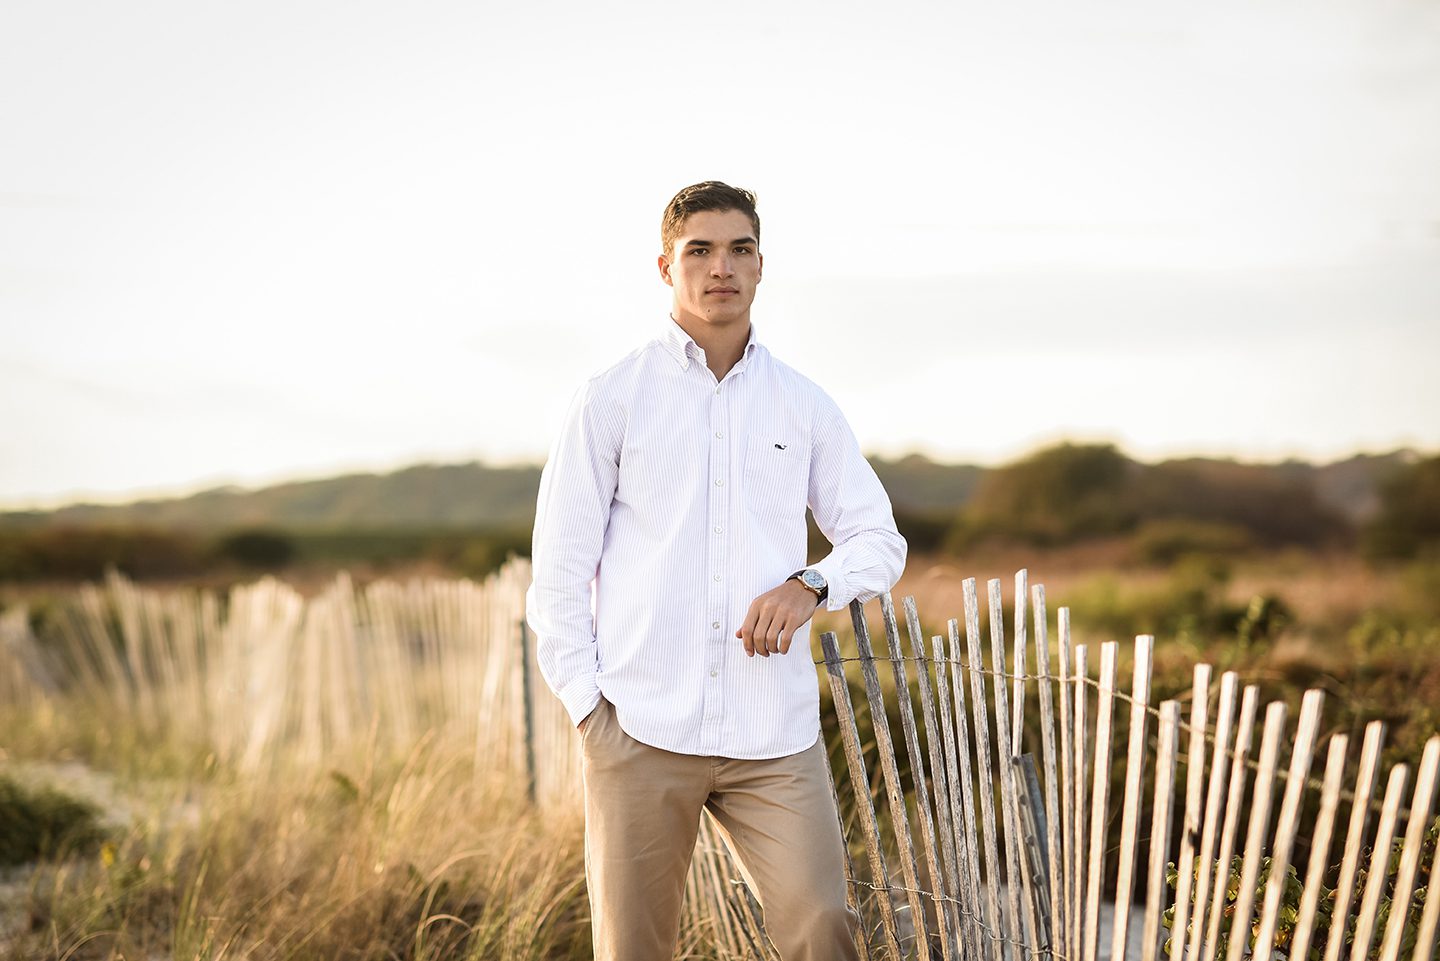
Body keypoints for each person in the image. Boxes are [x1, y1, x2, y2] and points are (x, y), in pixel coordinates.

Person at [525, 181, 906, 961]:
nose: (719, 266)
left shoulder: (802, 404)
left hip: (774, 733)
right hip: (639, 726)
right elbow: (558, 572)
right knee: (634, 949)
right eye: (699, 249)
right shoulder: (612, 398)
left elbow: (878, 537)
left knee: (823, 927)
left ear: (762, 265)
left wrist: (811, 583)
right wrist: (589, 712)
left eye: (739, 249)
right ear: (666, 265)